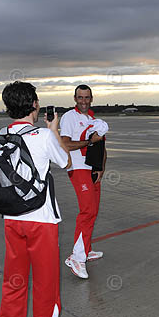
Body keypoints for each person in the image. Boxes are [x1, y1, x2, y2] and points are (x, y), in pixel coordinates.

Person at [0, 81, 71, 317]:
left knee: (13, 282)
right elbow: (66, 163)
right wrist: (54, 131)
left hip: (12, 220)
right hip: (41, 221)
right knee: (45, 283)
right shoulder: (42, 135)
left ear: (8, 108)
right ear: (35, 105)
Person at [60, 85, 106, 279]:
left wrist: (101, 167)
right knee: (87, 211)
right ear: (75, 98)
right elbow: (65, 144)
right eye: (80, 97)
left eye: (87, 97)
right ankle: (77, 258)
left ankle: (85, 250)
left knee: (93, 211)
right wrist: (90, 141)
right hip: (78, 168)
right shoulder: (70, 117)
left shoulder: (94, 120)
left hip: (92, 169)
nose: (84, 101)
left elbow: (102, 145)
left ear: (91, 98)